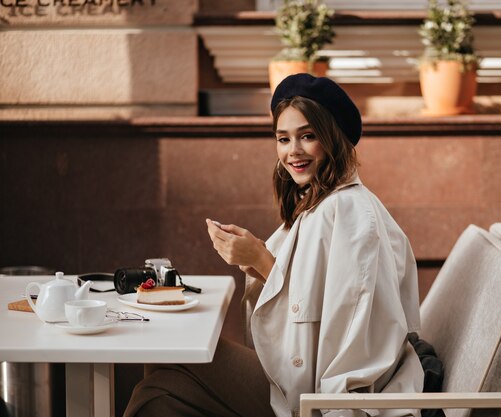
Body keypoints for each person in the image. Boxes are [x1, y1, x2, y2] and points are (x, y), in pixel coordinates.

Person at [123, 73, 424, 417]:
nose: (292, 151)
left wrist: (264, 262)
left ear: (333, 139)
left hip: (323, 394)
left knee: (167, 367)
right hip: (304, 376)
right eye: (283, 139)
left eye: (307, 136)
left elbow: (350, 327)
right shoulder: (319, 204)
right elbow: (319, 298)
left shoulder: (350, 212)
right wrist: (256, 262)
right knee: (162, 391)